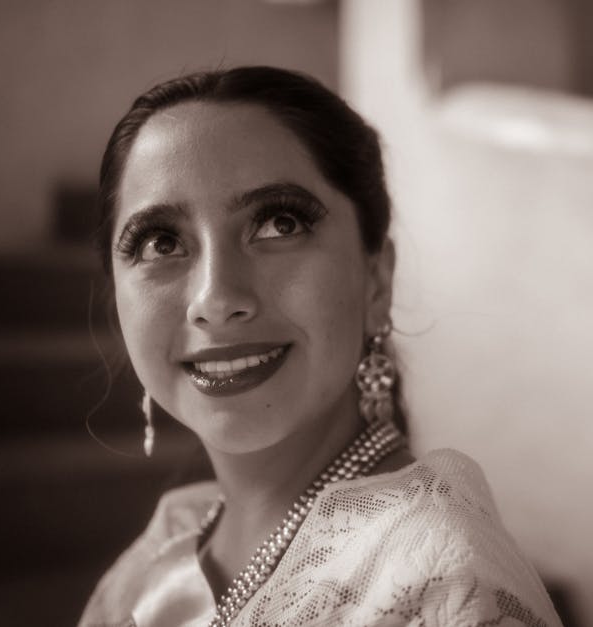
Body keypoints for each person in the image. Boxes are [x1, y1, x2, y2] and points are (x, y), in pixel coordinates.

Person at [79, 66, 562, 627]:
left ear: (377, 282)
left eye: (279, 224)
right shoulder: (156, 561)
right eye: (161, 242)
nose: (215, 298)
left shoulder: (438, 580)